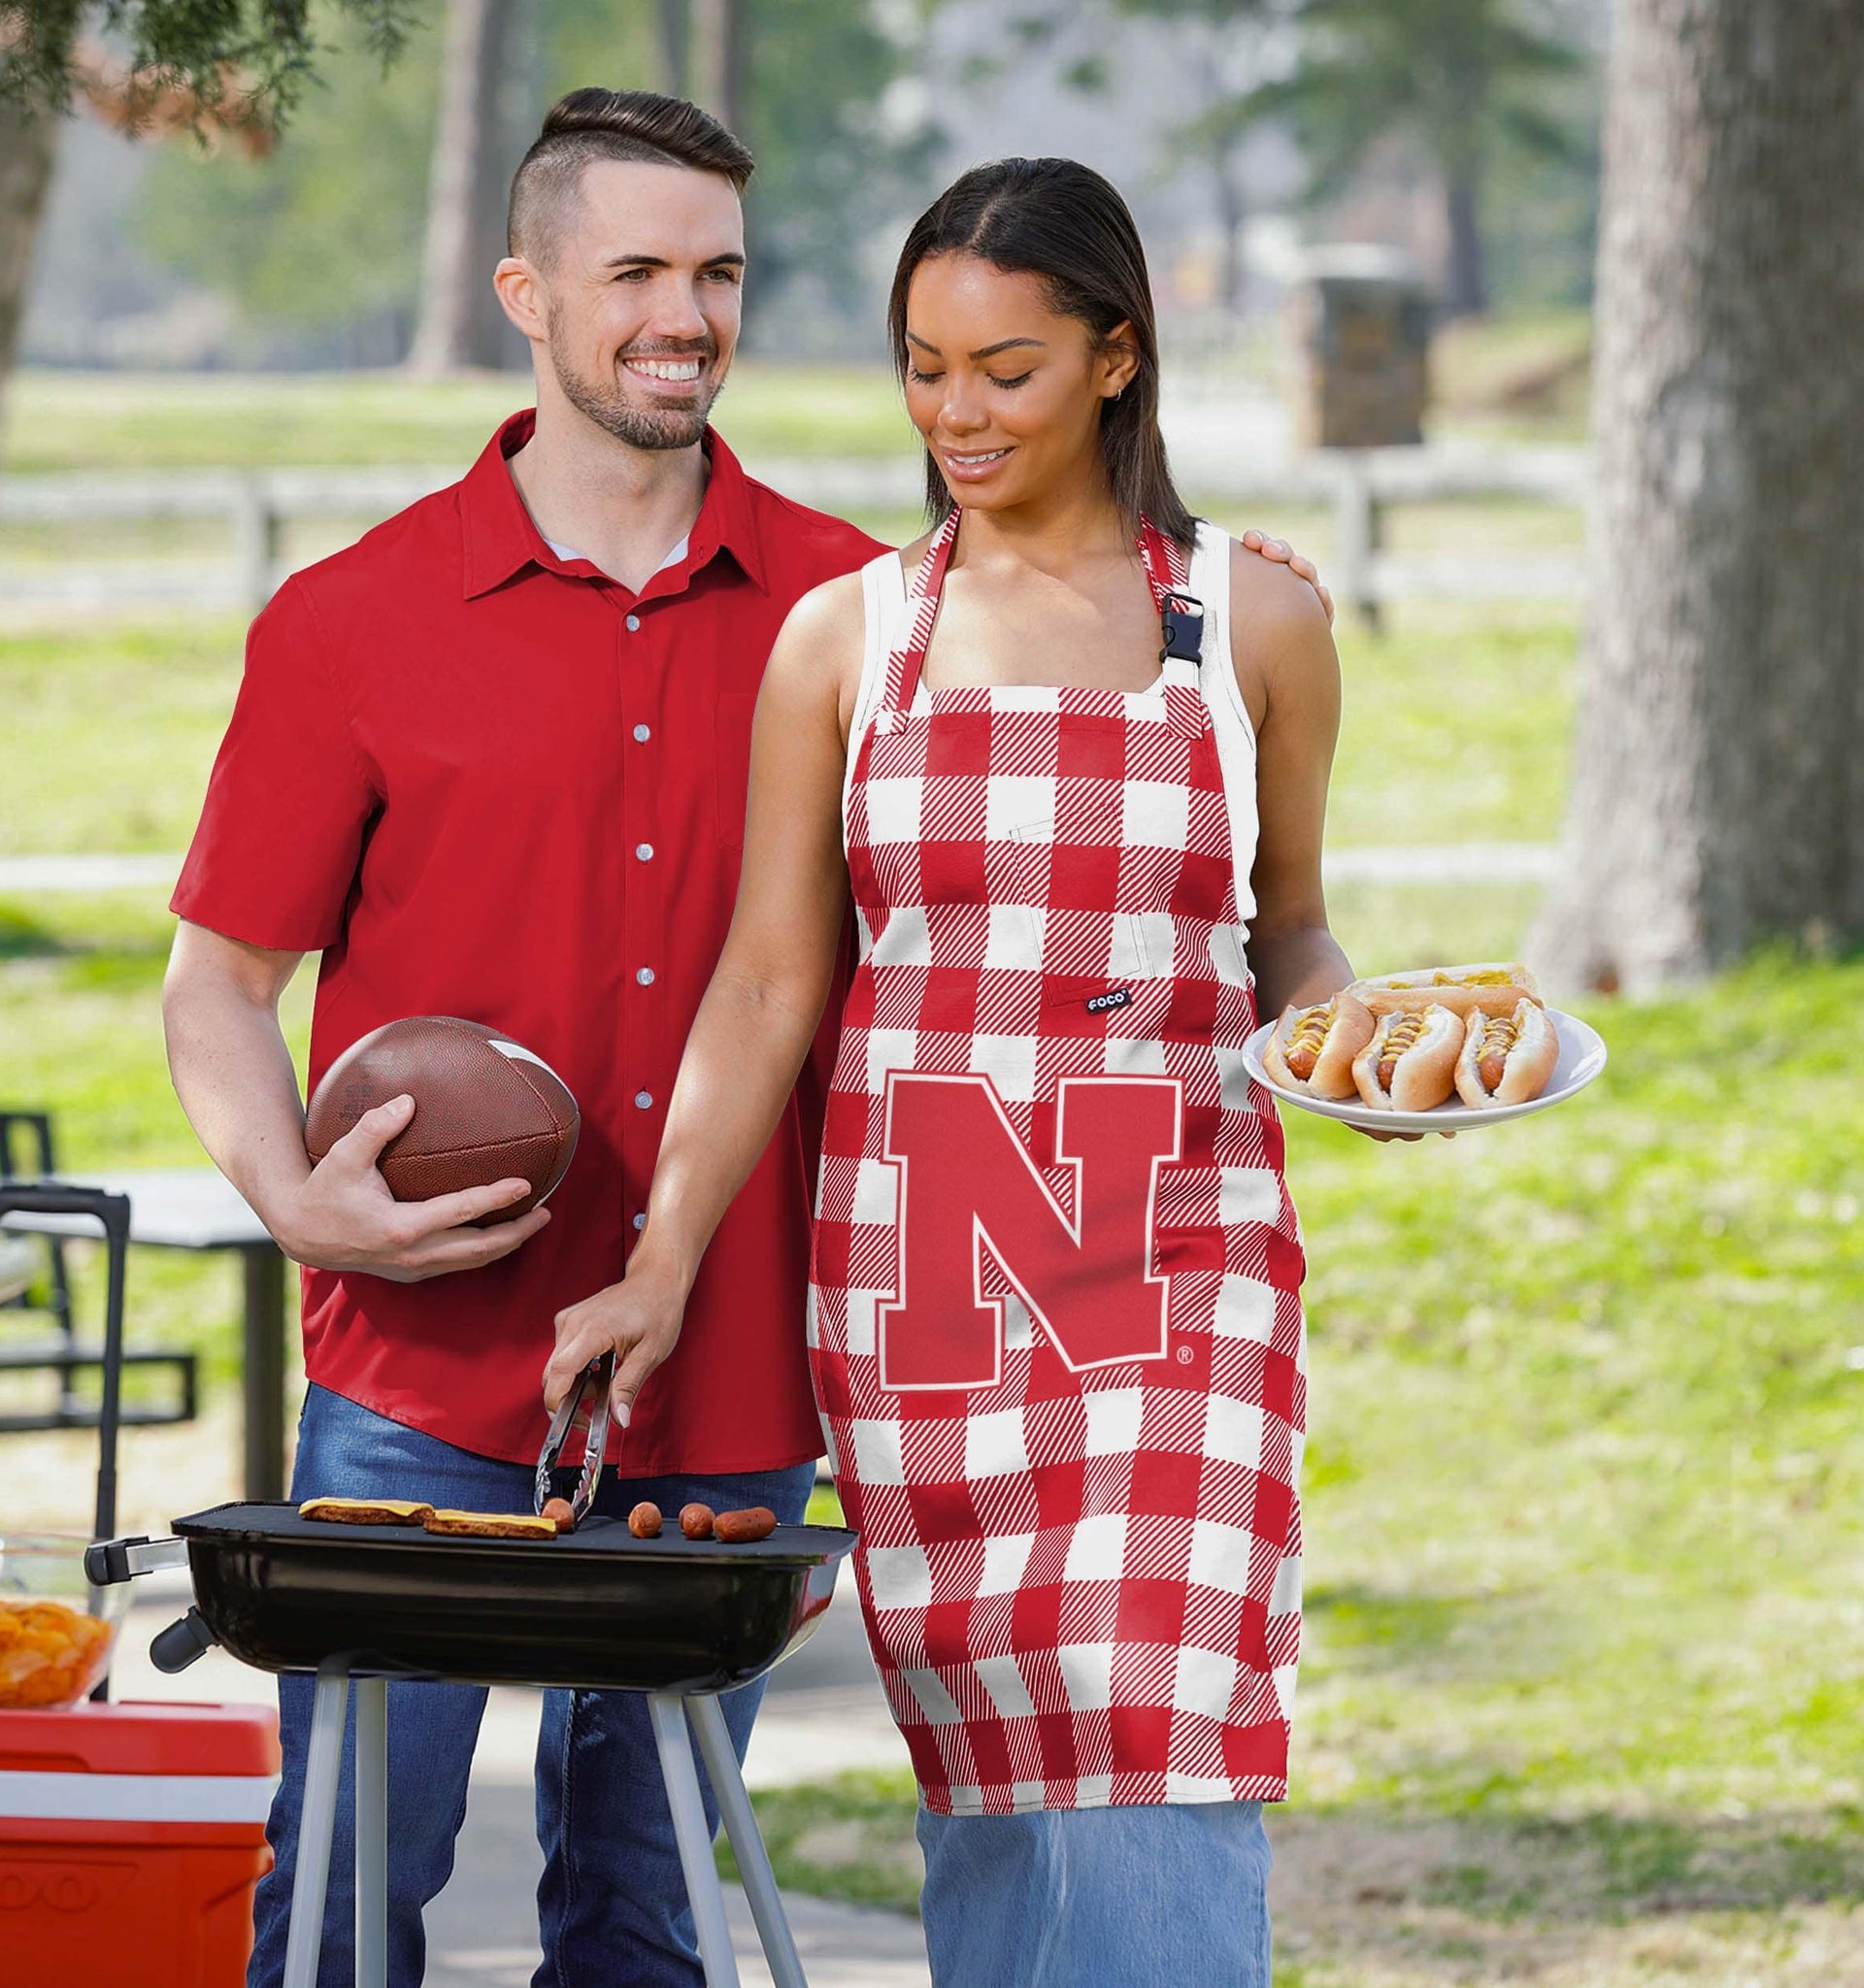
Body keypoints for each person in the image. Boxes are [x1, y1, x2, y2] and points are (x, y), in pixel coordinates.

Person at [166, 84, 1328, 1987]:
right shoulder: (354, 618)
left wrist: (1218, 615)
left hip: (741, 1368)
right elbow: (217, 982)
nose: (683, 315)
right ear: (526, 293)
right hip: (427, 1366)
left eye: (716, 273)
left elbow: (1012, 909)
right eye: (635, 271)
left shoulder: (857, 599)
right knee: (349, 1889)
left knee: (650, 1910)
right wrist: (294, 1196)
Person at [549, 156, 1363, 1987]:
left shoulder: (1256, 623)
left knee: (1153, 1732)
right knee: (997, 1779)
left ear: (1117, 357)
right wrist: (661, 1263)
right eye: (924, 369)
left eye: (1006, 370)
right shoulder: (849, 637)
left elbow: (1293, 931)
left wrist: (1355, 1039)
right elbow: (772, 979)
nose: (956, 415)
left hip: (1177, 1262)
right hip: (928, 1278)